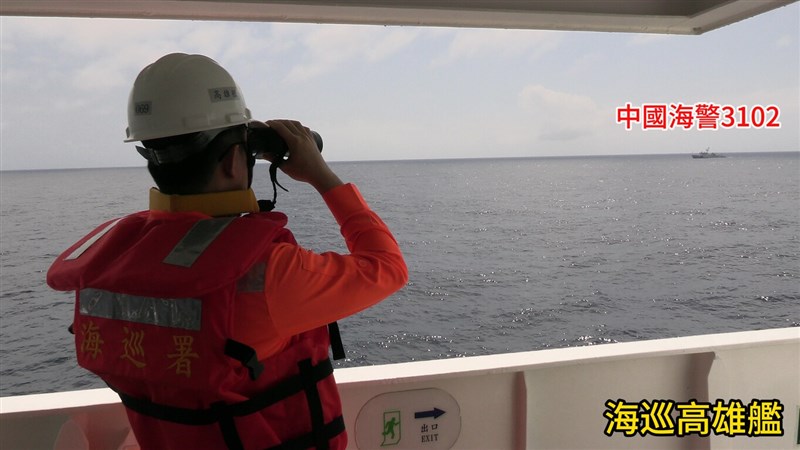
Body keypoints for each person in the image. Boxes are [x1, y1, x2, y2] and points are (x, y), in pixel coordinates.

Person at [47, 53, 408, 450]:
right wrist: (321, 175)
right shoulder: (267, 272)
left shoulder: (110, 263)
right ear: (235, 160)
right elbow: (388, 267)